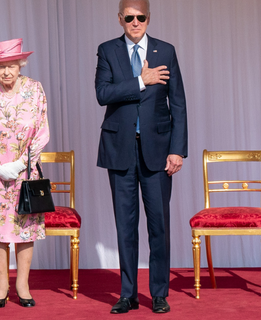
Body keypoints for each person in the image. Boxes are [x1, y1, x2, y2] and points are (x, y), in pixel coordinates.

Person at [94, 0, 187, 314]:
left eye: (141, 17)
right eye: (130, 17)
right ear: (120, 19)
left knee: (159, 224)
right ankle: (128, 294)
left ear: (149, 18)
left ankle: (159, 293)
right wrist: (139, 81)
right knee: (125, 226)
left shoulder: (166, 51)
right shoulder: (108, 50)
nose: (136, 23)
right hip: (119, 149)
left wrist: (177, 149)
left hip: (159, 151)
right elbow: (102, 94)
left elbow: (179, 105)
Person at [0, 38, 50, 308]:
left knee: (24, 229)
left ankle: (23, 285)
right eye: (0, 66)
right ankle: (1, 285)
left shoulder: (35, 89)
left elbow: (42, 132)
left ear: (21, 64)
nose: (6, 71)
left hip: (25, 172)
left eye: (11, 65)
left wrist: (18, 165)